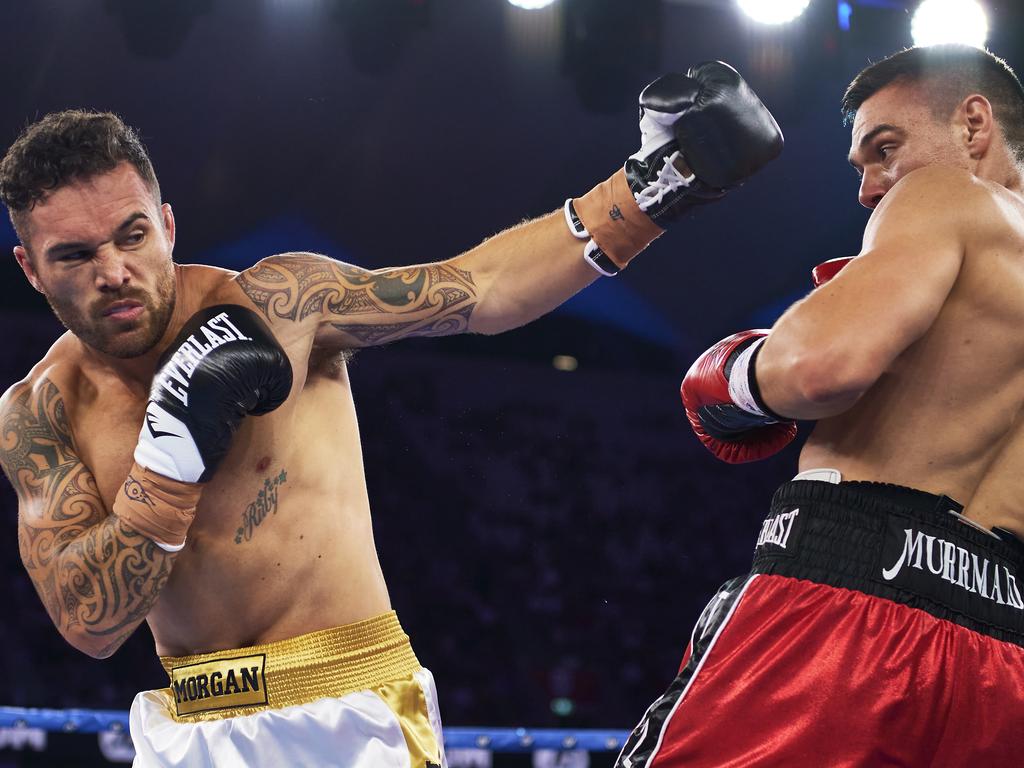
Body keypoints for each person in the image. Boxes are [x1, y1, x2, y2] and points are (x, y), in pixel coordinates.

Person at [0, 63, 781, 766]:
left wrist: (649, 189)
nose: (115, 271)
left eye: (133, 236)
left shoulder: (281, 303)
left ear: (166, 225)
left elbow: (477, 290)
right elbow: (90, 623)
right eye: (75, 256)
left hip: (348, 713)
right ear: (31, 267)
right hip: (188, 730)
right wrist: (170, 452)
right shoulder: (39, 412)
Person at [617, 44, 1024, 768]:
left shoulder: (943, 197)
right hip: (1005, 668)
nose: (871, 188)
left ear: (973, 124)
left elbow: (822, 367)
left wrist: (736, 372)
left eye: (885, 148)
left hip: (843, 624)